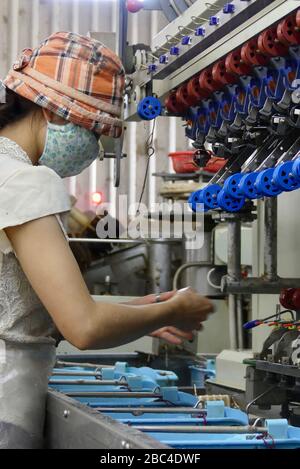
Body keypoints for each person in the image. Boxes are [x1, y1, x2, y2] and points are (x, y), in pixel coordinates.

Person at [0, 32, 213, 449]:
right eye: (93, 131)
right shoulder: (26, 181)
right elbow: (84, 327)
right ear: (55, 112)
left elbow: (20, 307)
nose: (94, 150)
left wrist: (143, 308)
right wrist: (177, 308)